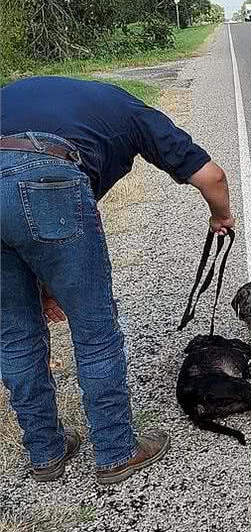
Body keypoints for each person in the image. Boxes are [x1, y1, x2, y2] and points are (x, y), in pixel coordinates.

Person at [0, 76, 235, 484]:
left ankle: (46, 453)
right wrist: (220, 216)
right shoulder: (128, 110)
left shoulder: (19, 97)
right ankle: (115, 451)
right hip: (50, 177)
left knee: (15, 337)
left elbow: (19, 217)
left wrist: (44, 287)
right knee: (96, 334)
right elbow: (212, 177)